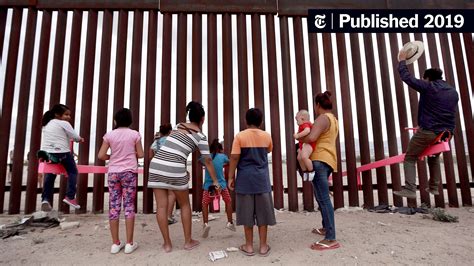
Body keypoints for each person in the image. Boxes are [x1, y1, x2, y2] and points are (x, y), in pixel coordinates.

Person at [148, 101, 220, 253]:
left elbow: (174, 147)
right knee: (185, 205)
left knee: (161, 206)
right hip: (175, 168)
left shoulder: (179, 126)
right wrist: (215, 180)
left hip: (155, 165)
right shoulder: (200, 137)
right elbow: (207, 160)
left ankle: (167, 244)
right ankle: (188, 241)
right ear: (203, 119)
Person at [393, 49, 459, 199]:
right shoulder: (453, 91)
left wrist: (402, 60)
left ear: (428, 78)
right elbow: (442, 111)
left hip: (429, 131)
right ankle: (434, 187)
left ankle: (410, 189)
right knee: (434, 157)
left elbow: (407, 78)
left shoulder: (429, 87)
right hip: (447, 133)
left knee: (410, 157)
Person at [228, 108, 275, 257]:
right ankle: (262, 246)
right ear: (261, 122)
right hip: (262, 180)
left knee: (247, 213)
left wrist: (230, 177)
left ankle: (248, 246)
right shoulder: (267, 136)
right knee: (263, 214)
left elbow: (234, 158)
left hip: (244, 180)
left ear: (246, 121)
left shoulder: (240, 136)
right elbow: (268, 150)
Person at [98, 108, 144, 254]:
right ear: (130, 120)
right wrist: (130, 153)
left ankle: (115, 244)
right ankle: (129, 244)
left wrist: (112, 157)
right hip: (129, 172)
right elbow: (141, 154)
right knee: (129, 206)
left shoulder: (109, 135)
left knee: (114, 207)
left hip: (113, 173)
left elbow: (100, 155)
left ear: (115, 121)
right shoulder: (134, 134)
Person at [298, 91, 340, 251]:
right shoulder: (334, 119)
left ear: (317, 105)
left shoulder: (322, 118)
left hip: (319, 160)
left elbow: (311, 138)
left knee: (323, 198)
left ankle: (330, 238)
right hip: (328, 159)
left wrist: (298, 138)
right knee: (320, 195)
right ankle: (325, 227)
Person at [39, 104, 84, 211]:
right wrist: (80, 139)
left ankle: (45, 199)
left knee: (50, 174)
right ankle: (70, 196)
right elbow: (74, 136)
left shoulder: (46, 124)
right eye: (66, 114)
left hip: (47, 153)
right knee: (72, 172)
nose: (69, 117)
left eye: (69, 115)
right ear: (57, 115)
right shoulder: (64, 123)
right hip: (62, 152)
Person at [201, 138, 235, 238]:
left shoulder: (206, 157)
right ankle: (229, 222)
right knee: (228, 201)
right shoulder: (222, 156)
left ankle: (206, 224)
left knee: (205, 203)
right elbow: (229, 162)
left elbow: (200, 162)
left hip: (209, 186)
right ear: (220, 149)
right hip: (221, 185)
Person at [149, 123, 177, 225]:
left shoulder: (156, 142)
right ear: (170, 131)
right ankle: (169, 216)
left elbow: (150, 156)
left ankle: (162, 217)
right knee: (171, 193)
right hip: (170, 168)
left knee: (161, 196)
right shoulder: (172, 141)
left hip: (157, 169)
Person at [293, 110, 317, 181]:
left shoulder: (305, 124)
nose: (297, 123)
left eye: (297, 120)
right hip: (303, 144)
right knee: (299, 158)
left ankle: (311, 171)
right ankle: (305, 172)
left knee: (304, 157)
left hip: (308, 144)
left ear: (303, 119)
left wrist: (298, 135)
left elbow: (307, 131)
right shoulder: (302, 125)